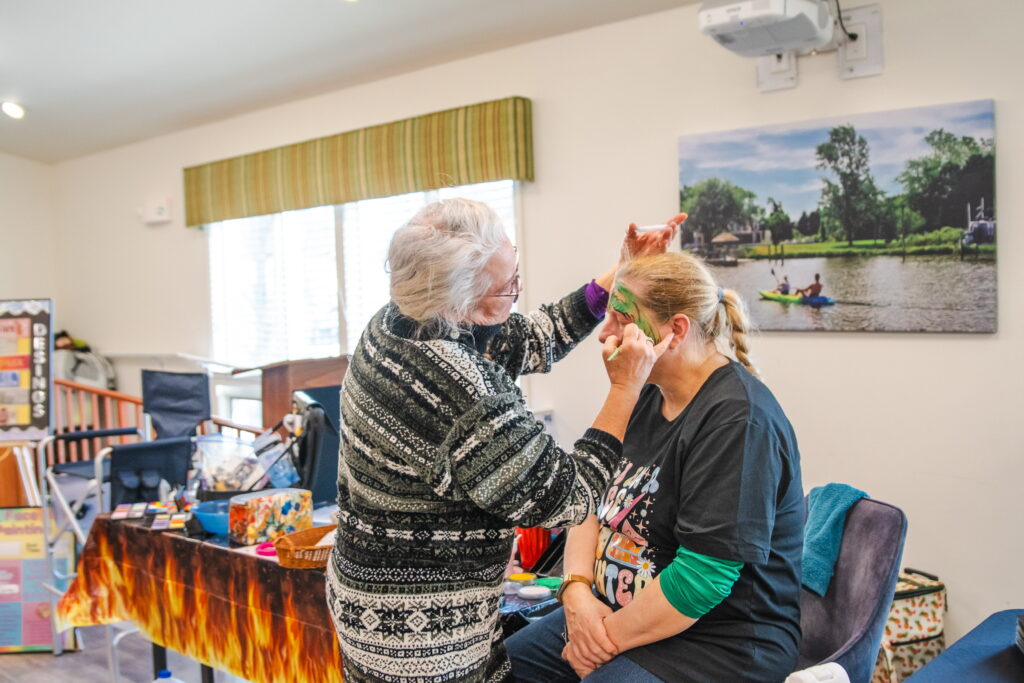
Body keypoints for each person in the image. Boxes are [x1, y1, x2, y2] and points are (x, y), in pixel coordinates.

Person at [326, 197, 686, 682]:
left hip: (370, 588)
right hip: (417, 632)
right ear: (462, 302)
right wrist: (625, 388)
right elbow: (568, 496)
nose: (519, 290)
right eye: (508, 287)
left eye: (515, 270)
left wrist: (618, 273)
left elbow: (535, 336)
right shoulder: (462, 391)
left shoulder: (402, 318)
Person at [506, 251, 805, 683]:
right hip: (616, 614)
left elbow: (704, 578)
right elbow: (587, 500)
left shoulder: (739, 420)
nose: (604, 334)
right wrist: (575, 592)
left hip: (718, 641)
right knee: (504, 667)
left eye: (621, 318)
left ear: (676, 330)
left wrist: (600, 639)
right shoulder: (645, 392)